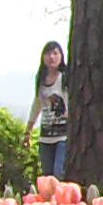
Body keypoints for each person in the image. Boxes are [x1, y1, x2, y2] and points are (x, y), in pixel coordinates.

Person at [30, 42, 71, 180]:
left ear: (61, 56)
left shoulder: (64, 77)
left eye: (55, 53)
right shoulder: (41, 79)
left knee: (58, 172)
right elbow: (37, 104)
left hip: (63, 134)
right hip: (46, 135)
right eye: (48, 54)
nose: (51, 57)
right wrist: (28, 129)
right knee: (47, 176)